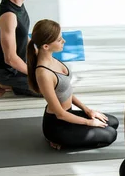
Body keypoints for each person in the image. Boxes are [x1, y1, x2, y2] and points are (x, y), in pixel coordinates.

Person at [26, 19, 119, 149]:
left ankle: (72, 136)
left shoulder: (51, 58)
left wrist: (88, 110)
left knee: (113, 122)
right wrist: (88, 122)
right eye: (59, 40)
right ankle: (57, 140)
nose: (63, 41)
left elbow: (66, 90)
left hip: (69, 113)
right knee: (110, 135)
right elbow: (60, 114)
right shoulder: (43, 74)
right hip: (58, 124)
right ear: (46, 46)